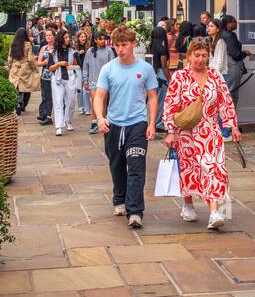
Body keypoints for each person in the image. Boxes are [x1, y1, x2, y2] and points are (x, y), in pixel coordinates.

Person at [163, 36, 240, 229]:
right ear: (189, 56)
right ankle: (188, 205)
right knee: (189, 169)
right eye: (196, 55)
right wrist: (170, 131)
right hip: (186, 132)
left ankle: (214, 212)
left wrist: (232, 125)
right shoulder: (179, 77)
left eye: (204, 55)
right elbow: (171, 105)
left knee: (213, 169)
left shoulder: (214, 75)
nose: (200, 59)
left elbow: (225, 101)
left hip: (210, 131)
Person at [94, 26, 159, 229]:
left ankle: (135, 211)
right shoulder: (108, 69)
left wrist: (151, 124)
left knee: (136, 167)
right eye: (117, 45)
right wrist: (100, 118)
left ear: (133, 44)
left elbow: (152, 97)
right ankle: (119, 199)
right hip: (114, 124)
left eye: (124, 45)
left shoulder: (145, 69)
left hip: (137, 124)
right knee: (117, 165)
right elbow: (99, 96)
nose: (120, 49)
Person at [45, 28, 77, 136]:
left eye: (68, 37)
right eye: (66, 37)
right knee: (58, 102)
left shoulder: (72, 51)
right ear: (61, 39)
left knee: (71, 101)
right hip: (57, 79)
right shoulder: (53, 52)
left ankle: (68, 120)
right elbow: (49, 68)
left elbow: (78, 66)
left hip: (70, 78)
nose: (68, 39)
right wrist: (59, 64)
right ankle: (59, 126)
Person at [83, 31, 115, 135]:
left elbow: (113, 66)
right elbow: (85, 66)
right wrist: (85, 79)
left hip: (105, 81)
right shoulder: (90, 51)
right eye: (100, 39)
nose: (103, 41)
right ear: (96, 40)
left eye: (104, 39)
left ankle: (103, 121)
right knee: (94, 101)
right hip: (93, 80)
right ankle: (94, 122)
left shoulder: (109, 51)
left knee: (104, 102)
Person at [7, 27, 40, 117]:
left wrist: (10, 67)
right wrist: (34, 67)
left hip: (15, 67)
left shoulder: (13, 44)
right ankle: (21, 104)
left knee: (16, 86)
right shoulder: (28, 44)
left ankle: (17, 103)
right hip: (24, 68)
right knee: (25, 87)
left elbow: (9, 59)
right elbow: (30, 59)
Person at [220, 14, 248, 102]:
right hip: (232, 67)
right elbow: (234, 54)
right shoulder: (229, 36)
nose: (236, 23)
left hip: (227, 67)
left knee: (228, 92)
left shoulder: (223, 34)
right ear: (228, 24)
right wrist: (244, 54)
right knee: (232, 93)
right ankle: (230, 114)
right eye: (234, 22)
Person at [149, 21, 171, 133]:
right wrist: (170, 79)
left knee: (154, 99)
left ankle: (154, 122)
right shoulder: (162, 48)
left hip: (153, 74)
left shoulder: (151, 47)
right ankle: (159, 123)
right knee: (162, 100)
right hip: (161, 75)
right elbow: (164, 66)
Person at [36, 24, 58, 125]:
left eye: (50, 35)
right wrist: (44, 62)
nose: (48, 37)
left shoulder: (57, 48)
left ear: (54, 37)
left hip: (55, 74)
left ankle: (49, 116)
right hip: (45, 75)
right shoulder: (44, 48)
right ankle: (44, 113)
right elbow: (38, 63)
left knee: (51, 96)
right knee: (45, 95)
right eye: (47, 35)